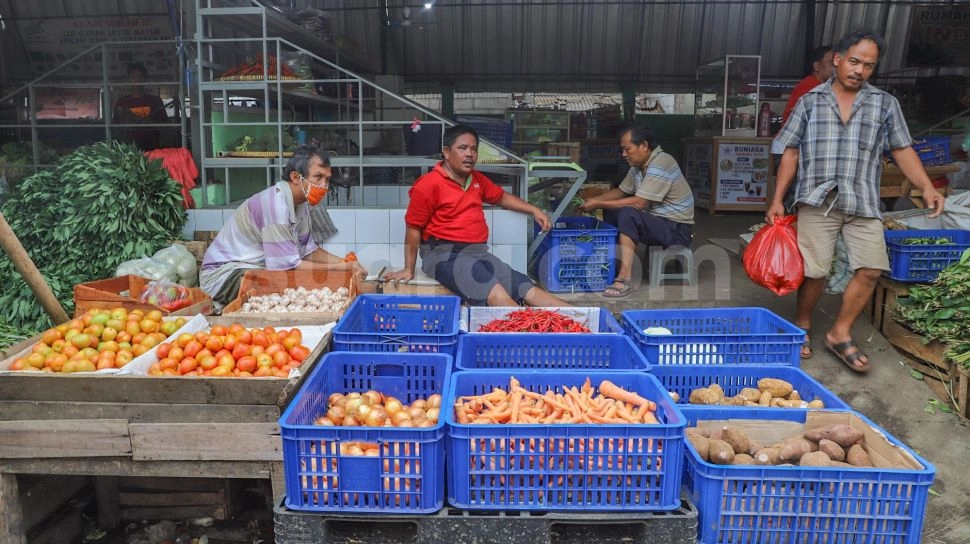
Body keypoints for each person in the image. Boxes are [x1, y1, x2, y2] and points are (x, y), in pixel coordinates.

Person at [767, 30, 945, 373]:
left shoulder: (884, 104)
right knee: (815, 271)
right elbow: (790, 152)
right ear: (837, 59)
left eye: (868, 65)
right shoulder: (810, 101)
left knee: (871, 268)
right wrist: (777, 198)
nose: (860, 70)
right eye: (854, 61)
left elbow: (902, 149)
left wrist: (927, 186)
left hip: (862, 199)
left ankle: (840, 332)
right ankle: (802, 323)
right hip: (817, 198)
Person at [383, 124, 569, 307]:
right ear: (446, 152)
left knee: (526, 288)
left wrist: (534, 210)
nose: (469, 154)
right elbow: (413, 228)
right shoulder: (428, 184)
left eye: (473, 149)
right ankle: (528, 328)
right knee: (496, 293)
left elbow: (502, 197)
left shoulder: (476, 179)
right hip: (445, 256)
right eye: (462, 148)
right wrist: (408, 268)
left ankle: (579, 318)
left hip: (478, 254)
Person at [200, 145, 365, 308]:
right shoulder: (275, 206)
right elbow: (288, 268)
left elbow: (308, 250)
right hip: (223, 275)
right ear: (295, 177)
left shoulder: (301, 203)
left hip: (251, 269)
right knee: (287, 286)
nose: (324, 185)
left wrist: (343, 262)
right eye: (318, 177)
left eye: (327, 179)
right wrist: (341, 268)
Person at [578, 123, 694, 298]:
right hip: (659, 223)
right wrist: (595, 201)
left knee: (627, 213)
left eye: (627, 149)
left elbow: (639, 202)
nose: (624, 154)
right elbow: (621, 191)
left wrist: (598, 203)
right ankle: (613, 266)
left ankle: (625, 278)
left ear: (644, 146)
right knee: (612, 210)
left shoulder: (661, 163)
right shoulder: (638, 167)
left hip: (676, 229)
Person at [113, 63, 169, 150]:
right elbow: (115, 128)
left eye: (140, 77)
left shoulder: (155, 101)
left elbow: (164, 126)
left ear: (145, 79)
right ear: (128, 80)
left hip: (152, 149)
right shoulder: (121, 102)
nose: (137, 80)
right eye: (133, 77)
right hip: (127, 151)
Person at [782, 46, 835, 126]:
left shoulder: (826, 86)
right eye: (831, 62)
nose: (835, 67)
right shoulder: (809, 87)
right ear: (816, 66)